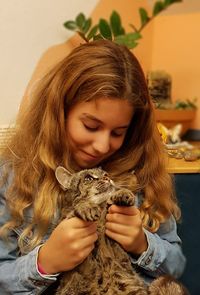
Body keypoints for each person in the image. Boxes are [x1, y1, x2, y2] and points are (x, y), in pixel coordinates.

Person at [0, 39, 186, 294]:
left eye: (118, 132)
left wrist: (141, 243)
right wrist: (44, 263)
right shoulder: (14, 176)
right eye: (91, 126)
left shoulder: (141, 173)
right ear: (59, 111)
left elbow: (176, 265)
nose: (101, 146)